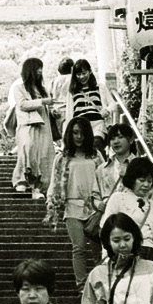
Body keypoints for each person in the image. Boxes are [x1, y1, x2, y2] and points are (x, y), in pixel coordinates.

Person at [46, 117, 105, 290]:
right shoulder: (62, 158)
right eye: (75, 132)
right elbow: (54, 182)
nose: (78, 136)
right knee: (78, 247)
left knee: (98, 249)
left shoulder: (95, 156)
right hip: (72, 206)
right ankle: (81, 285)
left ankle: (99, 284)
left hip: (94, 207)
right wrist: (51, 201)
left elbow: (105, 178)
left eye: (82, 133)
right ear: (69, 135)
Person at [100, 156, 153, 269]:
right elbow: (106, 231)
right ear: (132, 179)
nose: (146, 185)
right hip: (130, 254)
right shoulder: (118, 198)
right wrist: (107, 259)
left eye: (150, 181)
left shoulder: (151, 205)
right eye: (142, 180)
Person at [9, 56, 55, 199]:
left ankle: (38, 188)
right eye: (37, 68)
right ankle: (20, 181)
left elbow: (49, 108)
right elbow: (22, 105)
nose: (40, 71)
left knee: (43, 156)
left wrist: (54, 112)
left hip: (43, 127)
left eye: (41, 68)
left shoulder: (44, 90)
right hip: (26, 126)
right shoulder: (19, 88)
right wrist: (42, 101)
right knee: (27, 150)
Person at [66, 58, 106, 147]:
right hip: (80, 127)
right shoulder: (73, 91)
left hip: (97, 125)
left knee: (96, 144)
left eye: (84, 73)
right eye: (78, 74)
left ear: (90, 71)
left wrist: (107, 110)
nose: (82, 77)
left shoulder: (99, 87)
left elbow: (112, 105)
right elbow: (69, 114)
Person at [97, 121, 136, 200]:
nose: (116, 141)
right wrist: (99, 205)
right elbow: (95, 195)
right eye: (112, 139)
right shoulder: (102, 169)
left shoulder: (141, 167)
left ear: (131, 140)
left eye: (120, 137)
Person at [49, 56, 75, 138]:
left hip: (57, 111)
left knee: (63, 135)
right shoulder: (73, 79)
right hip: (70, 110)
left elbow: (49, 96)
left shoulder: (53, 81)